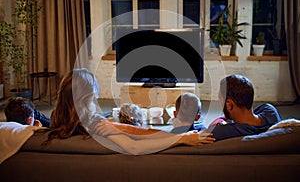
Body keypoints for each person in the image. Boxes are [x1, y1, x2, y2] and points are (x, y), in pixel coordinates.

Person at [44, 68, 215, 155]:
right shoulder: (95, 124)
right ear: (86, 99)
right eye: (93, 97)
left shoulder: (55, 121)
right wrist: (181, 138)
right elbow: (135, 147)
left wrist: (120, 127)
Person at [207, 74, 282, 141]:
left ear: (229, 104)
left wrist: (218, 121)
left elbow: (202, 135)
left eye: (221, 100)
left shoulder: (221, 132)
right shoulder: (270, 111)